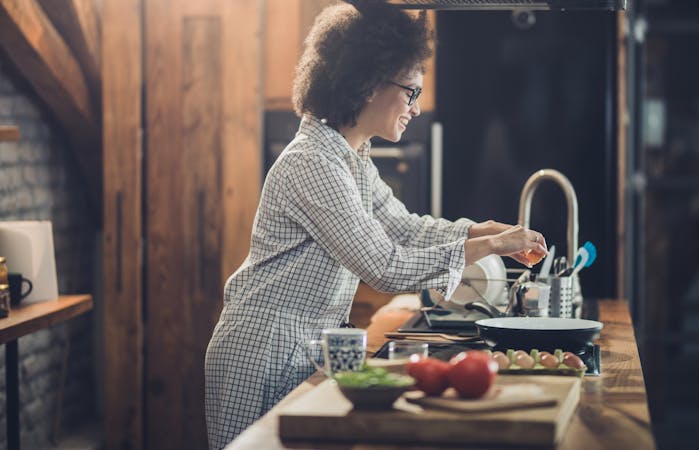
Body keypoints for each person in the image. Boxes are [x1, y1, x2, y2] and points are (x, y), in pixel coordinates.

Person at [204, 2, 548, 448]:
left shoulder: (352, 159)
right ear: (367, 83)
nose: (416, 108)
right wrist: (491, 245)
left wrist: (482, 231)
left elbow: (407, 230)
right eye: (411, 92)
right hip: (261, 351)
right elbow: (384, 266)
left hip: (297, 347)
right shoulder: (313, 163)